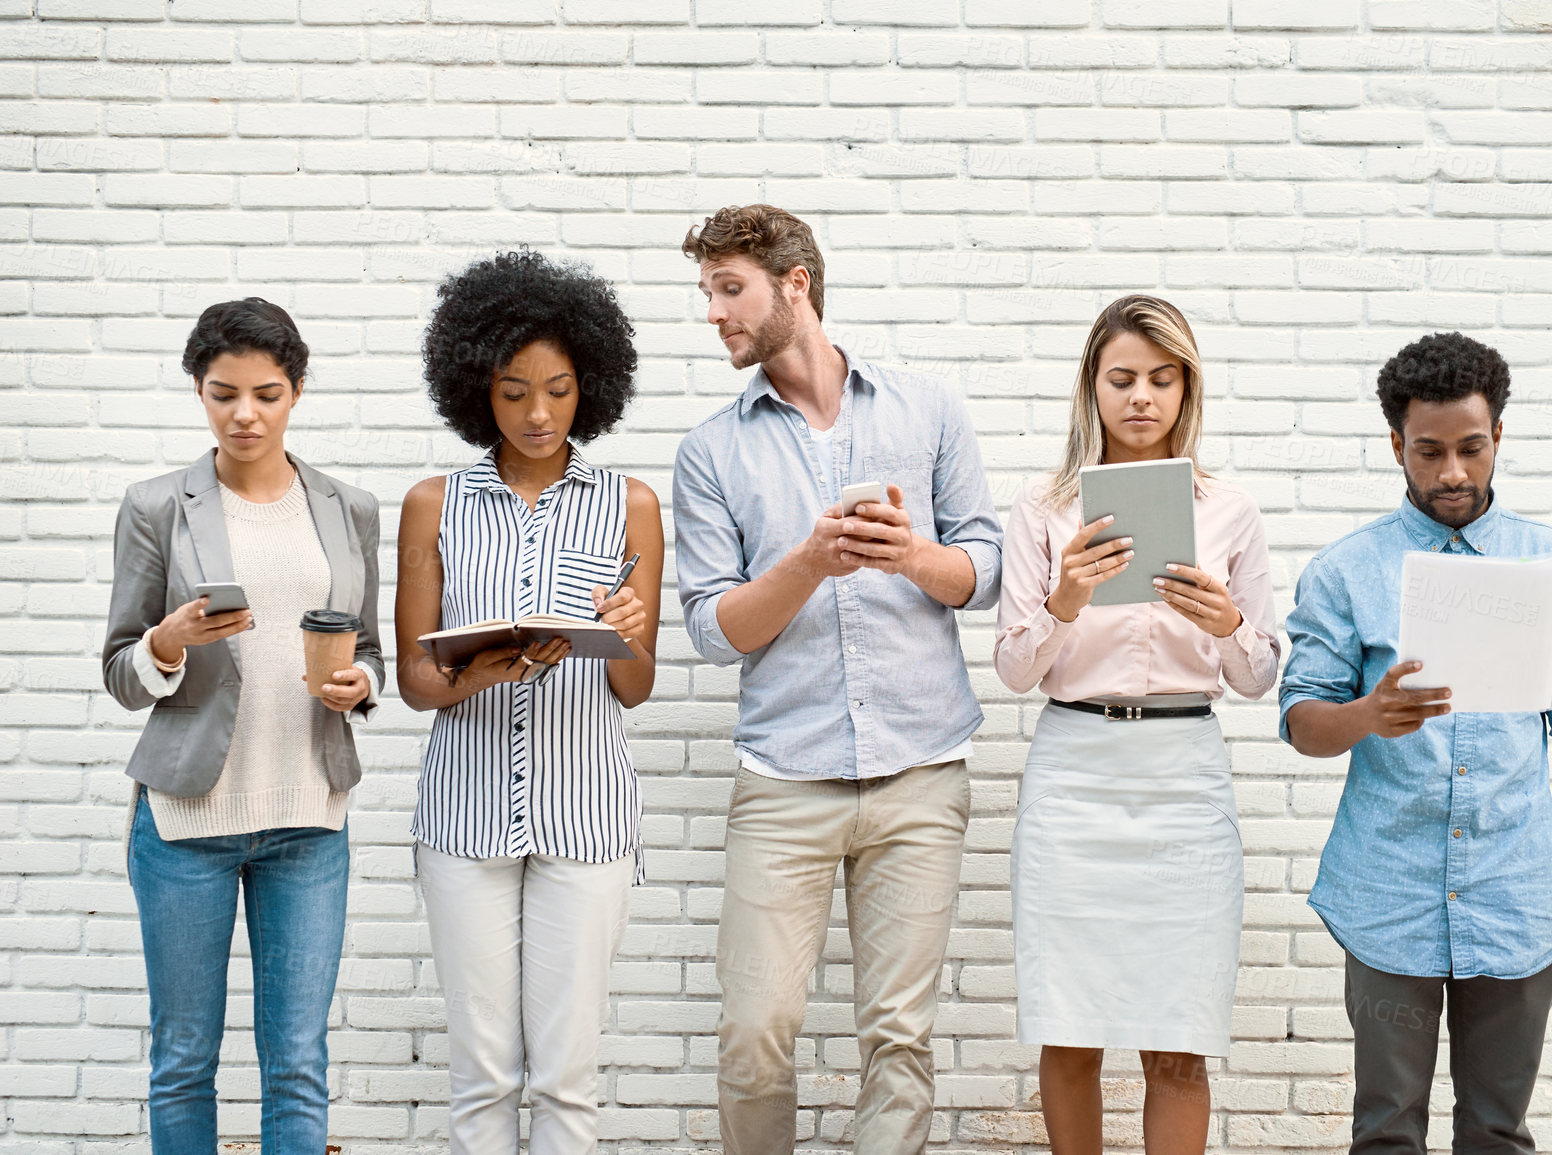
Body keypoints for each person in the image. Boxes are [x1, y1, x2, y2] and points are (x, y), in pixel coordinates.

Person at [672, 204, 1002, 1154]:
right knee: (754, 1035)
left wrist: (909, 557)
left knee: (899, 1039)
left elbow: (981, 570)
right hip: (783, 781)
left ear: (795, 284)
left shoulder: (926, 409)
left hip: (920, 771)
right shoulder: (710, 451)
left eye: (728, 289)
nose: (714, 313)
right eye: (707, 293)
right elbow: (712, 629)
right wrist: (810, 562)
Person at [1280, 331, 1552, 1154]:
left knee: (1497, 1132)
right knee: (1386, 1128)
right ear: (1395, 443)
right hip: (1385, 893)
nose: (1451, 474)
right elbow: (1299, 721)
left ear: (1497, 435)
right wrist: (1367, 714)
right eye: (1427, 450)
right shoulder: (1344, 571)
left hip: (1512, 892)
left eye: (1470, 448)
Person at [993, 295, 1279, 1155]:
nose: (1141, 398)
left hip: (1183, 773)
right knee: (1069, 1029)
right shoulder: (1042, 509)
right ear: (1091, 387)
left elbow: (1261, 675)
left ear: (1187, 388)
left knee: (1178, 1038)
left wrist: (1228, 622)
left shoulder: (1230, 509)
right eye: (1121, 379)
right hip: (1074, 769)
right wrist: (1064, 599)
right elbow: (1013, 670)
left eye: (1162, 379)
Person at [102, 298, 384, 1153]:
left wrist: (359, 682)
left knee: (297, 1058)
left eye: (266, 393)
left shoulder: (349, 507)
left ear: (296, 390)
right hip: (186, 818)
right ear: (199, 390)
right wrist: (167, 641)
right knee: (184, 1056)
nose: (245, 414)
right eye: (224, 394)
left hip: (308, 817)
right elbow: (120, 669)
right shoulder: (156, 506)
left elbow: (367, 646)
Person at [395, 251, 660, 1154]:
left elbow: (634, 687)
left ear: (593, 383)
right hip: (462, 820)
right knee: (481, 1079)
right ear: (477, 389)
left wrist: (623, 629)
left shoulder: (631, 505)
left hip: (586, 818)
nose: (538, 414)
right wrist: (483, 669)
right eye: (513, 392)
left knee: (565, 1082)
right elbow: (415, 681)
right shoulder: (434, 504)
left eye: (558, 388)